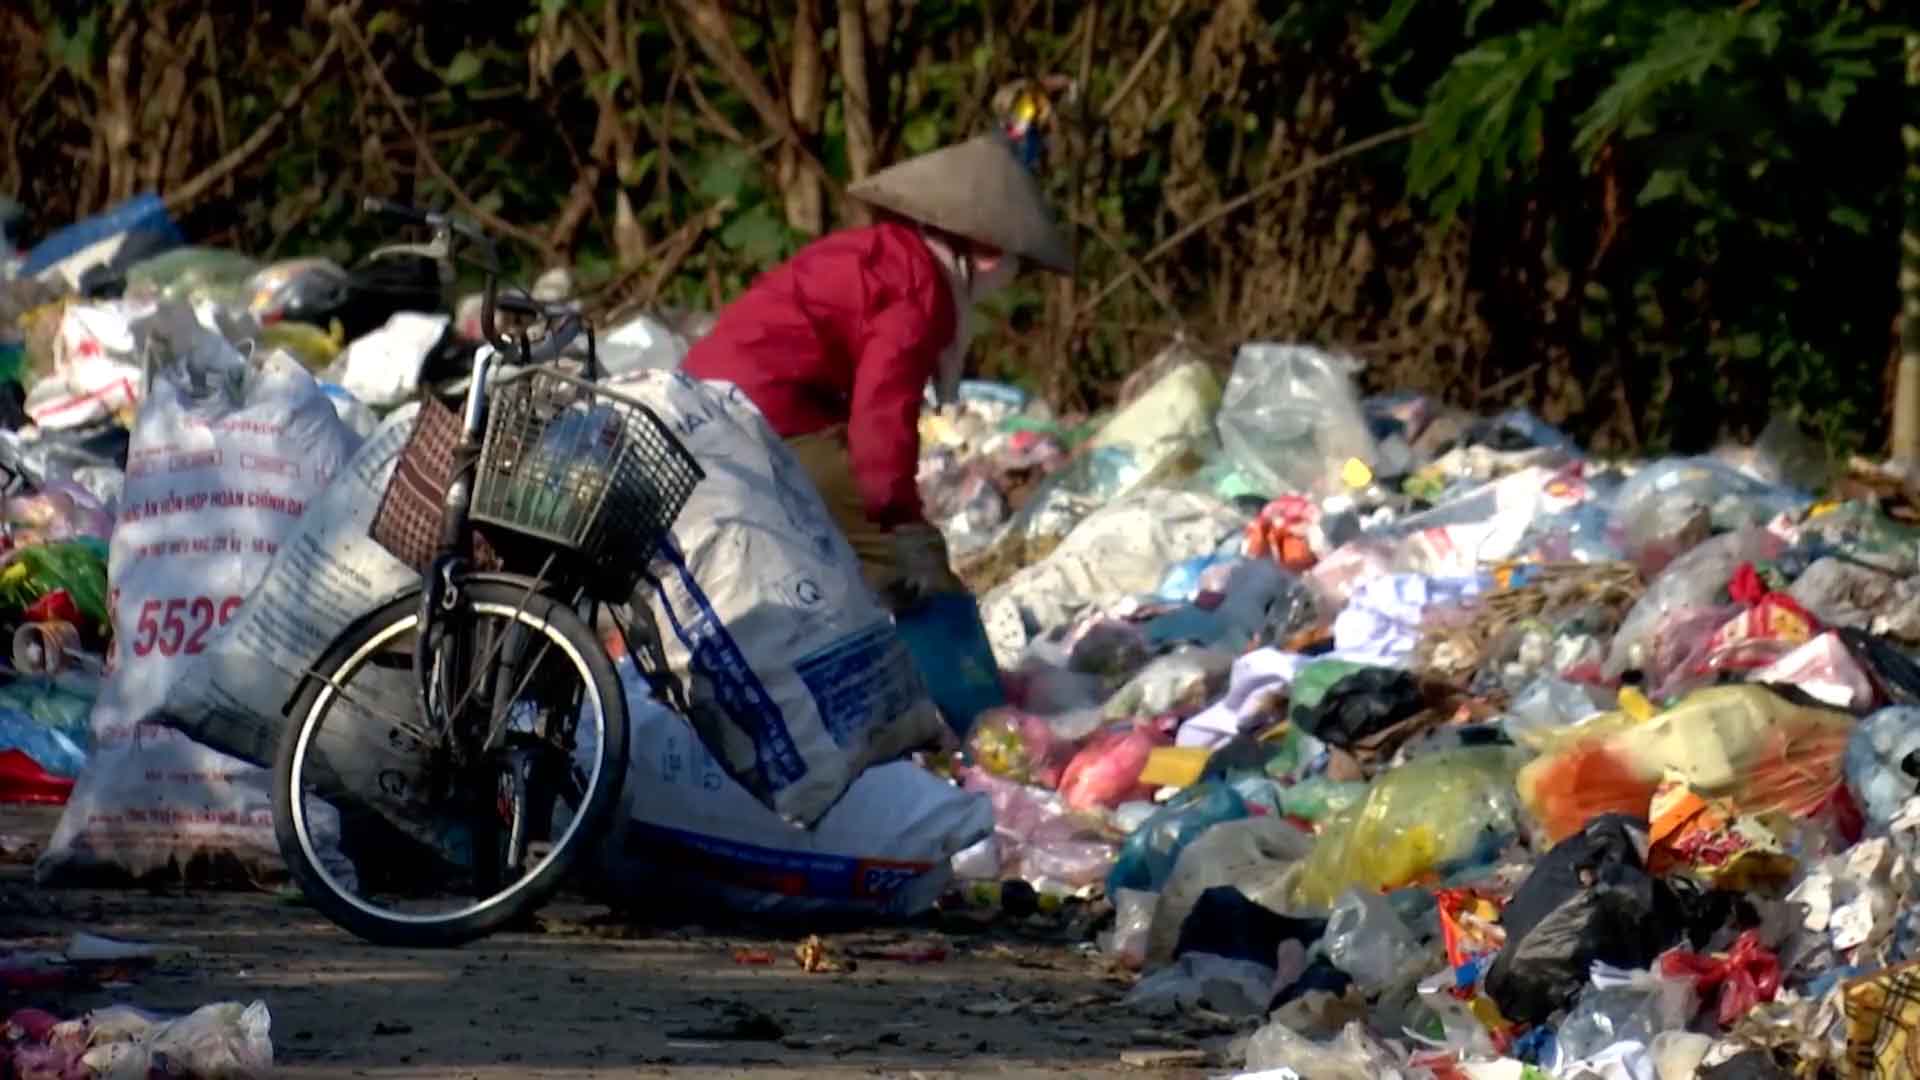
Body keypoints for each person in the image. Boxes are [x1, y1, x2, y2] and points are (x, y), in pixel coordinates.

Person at [680, 131, 1073, 612]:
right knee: (903, 562)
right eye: (1017, 265)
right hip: (759, 411)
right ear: (987, 251)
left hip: (723, 401)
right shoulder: (917, 291)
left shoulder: (887, 255)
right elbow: (882, 417)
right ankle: (945, 680)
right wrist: (900, 520)